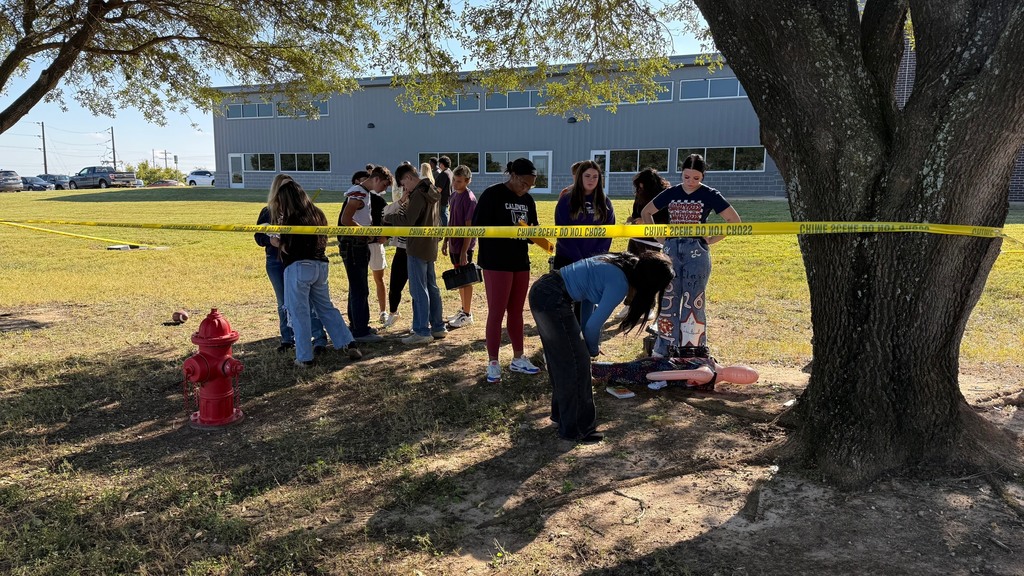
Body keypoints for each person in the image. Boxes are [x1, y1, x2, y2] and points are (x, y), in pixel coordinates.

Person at [529, 251, 674, 442]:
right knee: (577, 366)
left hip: (544, 291)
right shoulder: (620, 284)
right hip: (552, 298)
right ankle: (578, 430)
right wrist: (591, 350)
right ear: (648, 283)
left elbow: (588, 300)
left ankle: (562, 418)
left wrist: (585, 345)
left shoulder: (619, 263)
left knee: (563, 363)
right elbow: (592, 326)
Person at [641, 153, 741, 358]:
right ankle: (664, 349)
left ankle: (692, 350)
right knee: (669, 298)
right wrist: (659, 237)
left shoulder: (710, 194)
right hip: (671, 250)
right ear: (681, 173)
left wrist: (712, 239)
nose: (691, 182)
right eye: (687, 177)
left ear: (703, 176)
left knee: (693, 299)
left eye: (696, 178)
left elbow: (734, 221)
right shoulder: (671, 193)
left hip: (696, 251)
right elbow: (646, 212)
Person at [268, 177, 362, 366]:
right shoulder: (317, 213)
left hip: (298, 267)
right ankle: (348, 342)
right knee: (326, 307)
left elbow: (288, 248)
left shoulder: (291, 218)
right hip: (320, 265)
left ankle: (304, 357)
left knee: (299, 312)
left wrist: (275, 240)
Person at [472, 158, 543, 383]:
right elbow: (478, 226)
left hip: (520, 262)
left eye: (531, 185)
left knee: (517, 311)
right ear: (512, 175)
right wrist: (506, 229)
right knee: (496, 312)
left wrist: (533, 235)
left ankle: (518, 358)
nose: (526, 188)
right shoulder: (492, 194)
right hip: (495, 262)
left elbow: (534, 230)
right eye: (524, 183)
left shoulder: (528, 200)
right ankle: (493, 361)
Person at [255, 174, 328, 353]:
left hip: (298, 260)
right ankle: (288, 338)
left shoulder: (304, 212)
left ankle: (319, 339)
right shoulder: (267, 212)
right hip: (276, 261)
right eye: (283, 188)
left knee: (310, 301)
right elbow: (258, 236)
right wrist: (269, 239)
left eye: (291, 186)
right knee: (283, 302)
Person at [383, 163, 446, 345]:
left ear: (409, 178)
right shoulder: (432, 189)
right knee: (431, 287)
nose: (404, 188)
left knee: (419, 289)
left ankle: (421, 330)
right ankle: (438, 326)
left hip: (417, 246)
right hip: (430, 244)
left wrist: (387, 218)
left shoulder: (419, 193)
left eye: (403, 184)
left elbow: (408, 220)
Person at [338, 165, 392, 343]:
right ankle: (360, 330)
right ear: (376, 179)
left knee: (358, 287)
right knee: (360, 288)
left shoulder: (362, 192)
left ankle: (358, 325)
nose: (384, 189)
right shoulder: (359, 192)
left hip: (357, 244)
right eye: (384, 185)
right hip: (354, 245)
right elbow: (346, 220)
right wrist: (365, 232)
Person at [616, 168, 671, 318]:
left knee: (650, 274)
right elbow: (635, 214)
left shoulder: (663, 197)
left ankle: (649, 307)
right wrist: (632, 220)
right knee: (631, 271)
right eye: (638, 187)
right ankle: (629, 305)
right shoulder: (639, 195)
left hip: (653, 242)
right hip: (635, 238)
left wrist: (646, 222)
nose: (639, 189)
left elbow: (666, 220)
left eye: (642, 186)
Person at [442, 164, 478, 327]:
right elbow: (451, 221)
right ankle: (463, 309)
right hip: (454, 244)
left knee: (466, 279)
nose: (455, 184)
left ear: (467, 181)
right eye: (454, 181)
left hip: (464, 246)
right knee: (459, 277)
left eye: (458, 181)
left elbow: (469, 228)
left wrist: (464, 251)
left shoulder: (470, 200)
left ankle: (468, 314)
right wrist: (445, 240)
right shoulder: (454, 196)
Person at [435, 155, 454, 226]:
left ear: (442, 164)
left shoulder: (444, 174)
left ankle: (444, 231)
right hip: (448, 197)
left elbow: (439, 188)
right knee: (445, 214)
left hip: (442, 198)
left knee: (443, 215)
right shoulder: (450, 172)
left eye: (439, 164)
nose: (439, 165)